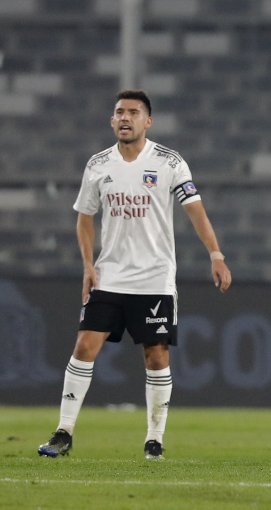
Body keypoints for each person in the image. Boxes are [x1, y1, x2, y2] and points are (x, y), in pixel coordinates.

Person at [37, 89, 232, 461]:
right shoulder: (98, 165)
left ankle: (154, 439)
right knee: (83, 348)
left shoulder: (169, 162)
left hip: (154, 278)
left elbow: (195, 211)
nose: (125, 118)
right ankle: (64, 432)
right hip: (109, 276)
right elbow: (84, 219)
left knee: (156, 356)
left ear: (148, 121)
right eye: (119, 112)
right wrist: (88, 266)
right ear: (112, 121)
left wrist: (216, 254)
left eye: (133, 112)